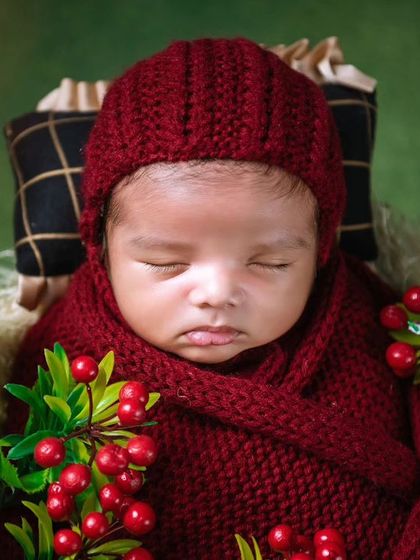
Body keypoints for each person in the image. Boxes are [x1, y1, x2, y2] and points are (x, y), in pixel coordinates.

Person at [2, 37, 420, 559]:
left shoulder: (368, 327)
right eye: (165, 263)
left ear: (321, 250)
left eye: (270, 263)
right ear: (101, 249)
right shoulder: (65, 360)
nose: (216, 295)